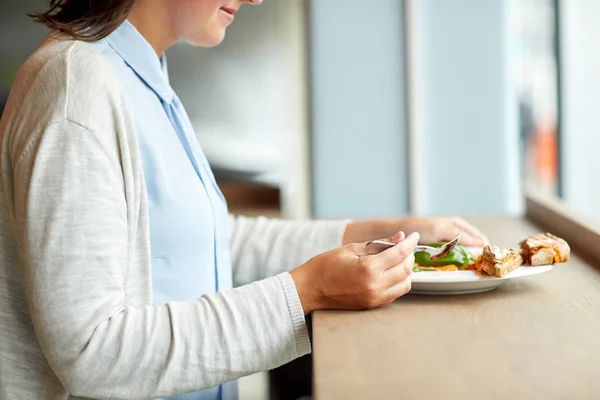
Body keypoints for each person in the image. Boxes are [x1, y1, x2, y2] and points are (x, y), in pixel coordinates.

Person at [0, 1, 489, 399]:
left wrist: (374, 235)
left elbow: (205, 241)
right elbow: (93, 352)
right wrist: (305, 293)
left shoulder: (140, 77)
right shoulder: (75, 88)